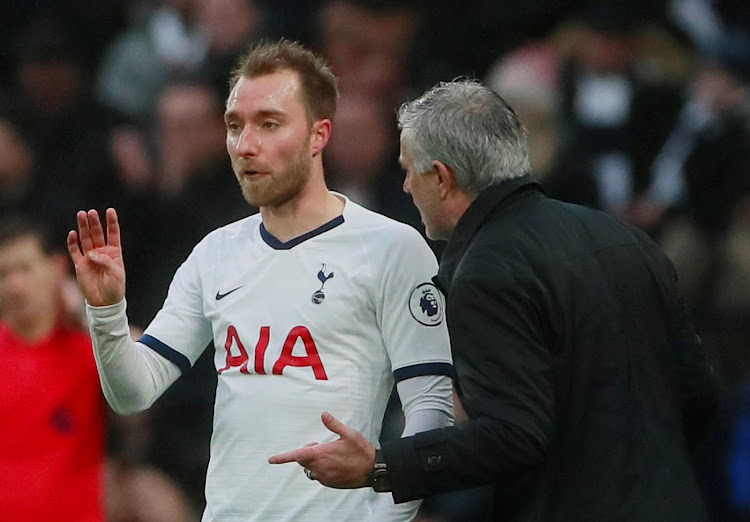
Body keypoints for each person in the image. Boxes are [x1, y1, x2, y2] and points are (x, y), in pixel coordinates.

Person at [268, 79, 722, 521]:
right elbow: (698, 394)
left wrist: (380, 465)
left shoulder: (484, 270)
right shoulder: (627, 239)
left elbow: (515, 435)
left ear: (442, 177)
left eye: (408, 169)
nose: (405, 186)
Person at [67, 40, 454, 522]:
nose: (245, 144)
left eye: (269, 124)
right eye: (235, 125)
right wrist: (107, 311)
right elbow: (133, 393)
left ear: (319, 135)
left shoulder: (393, 249)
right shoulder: (215, 253)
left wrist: (384, 501)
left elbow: (432, 406)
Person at [0, 216, 106, 521]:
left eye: (24, 268)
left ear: (57, 268)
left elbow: (144, 372)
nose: (14, 285)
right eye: (4, 274)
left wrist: (84, 312)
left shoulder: (89, 353)